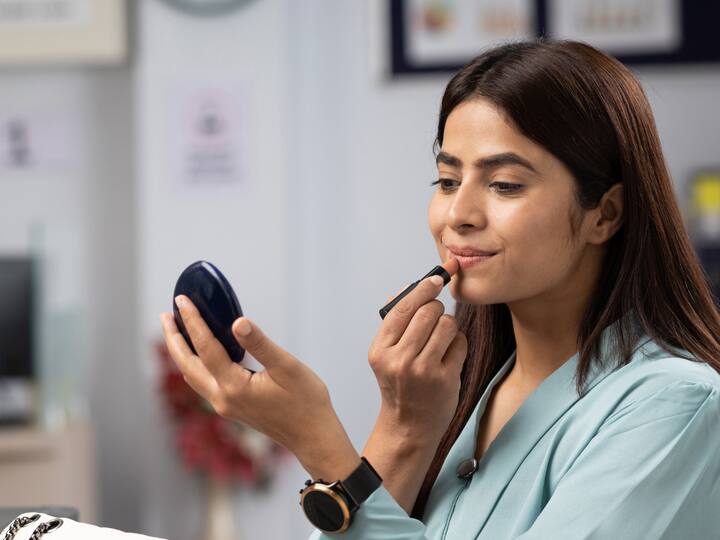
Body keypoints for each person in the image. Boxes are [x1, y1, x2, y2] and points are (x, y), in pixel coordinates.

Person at [160, 39, 720, 538]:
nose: (458, 214)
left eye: (504, 184)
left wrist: (318, 443)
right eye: (448, 180)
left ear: (606, 213)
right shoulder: (467, 390)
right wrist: (401, 431)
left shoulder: (674, 404)